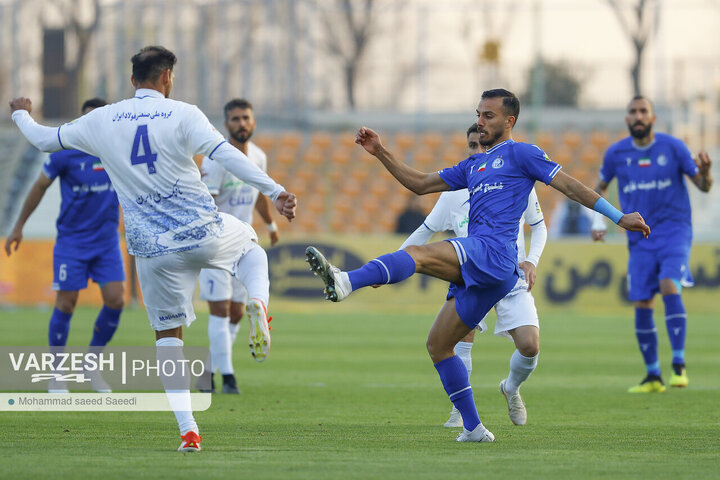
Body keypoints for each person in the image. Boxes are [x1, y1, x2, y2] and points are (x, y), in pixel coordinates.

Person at [306, 89, 649, 443]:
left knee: (421, 257)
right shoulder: (473, 166)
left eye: (488, 116)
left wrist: (618, 216)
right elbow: (420, 183)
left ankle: (347, 281)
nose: (480, 122)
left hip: (495, 253)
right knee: (439, 345)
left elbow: (572, 188)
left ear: (509, 121)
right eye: (479, 114)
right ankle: (473, 428)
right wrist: (381, 153)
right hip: (490, 271)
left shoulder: (522, 154)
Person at [10, 45, 297, 453]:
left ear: (132, 81)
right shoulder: (183, 113)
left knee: (168, 339)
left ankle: (189, 432)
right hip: (202, 228)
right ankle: (258, 303)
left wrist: (21, 112)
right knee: (253, 252)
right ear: (167, 78)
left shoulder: (101, 119)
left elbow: (42, 140)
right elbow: (227, 156)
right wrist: (277, 191)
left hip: (151, 249)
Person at [400, 123, 547, 428]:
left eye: (483, 145)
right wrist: (396, 261)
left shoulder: (516, 179)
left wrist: (531, 260)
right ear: (467, 150)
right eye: (472, 145)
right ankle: (460, 411)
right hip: (470, 276)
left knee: (530, 345)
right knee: (458, 340)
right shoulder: (453, 193)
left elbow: (539, 225)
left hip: (509, 274)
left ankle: (511, 387)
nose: (478, 150)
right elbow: (425, 231)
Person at [591, 95, 713, 393]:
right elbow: (599, 188)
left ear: (653, 118)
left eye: (643, 111)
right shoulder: (616, 153)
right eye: (633, 112)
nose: (638, 116)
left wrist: (707, 173)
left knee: (670, 284)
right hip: (639, 238)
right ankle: (653, 376)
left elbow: (703, 186)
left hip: (675, 232)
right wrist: (598, 223)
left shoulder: (673, 147)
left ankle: (679, 365)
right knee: (642, 300)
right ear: (627, 119)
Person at [4, 98, 124, 394]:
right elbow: (40, 186)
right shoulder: (65, 152)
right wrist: (18, 226)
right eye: (87, 120)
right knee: (66, 303)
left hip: (107, 241)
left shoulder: (117, 150)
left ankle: (91, 365)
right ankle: (56, 373)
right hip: (73, 241)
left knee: (116, 300)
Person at [197, 98, 280, 394]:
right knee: (219, 311)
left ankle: (209, 371)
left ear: (254, 122)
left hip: (243, 245)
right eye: (235, 119)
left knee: (235, 314)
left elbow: (259, 193)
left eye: (246, 118)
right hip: (215, 243)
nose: (241, 123)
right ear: (226, 124)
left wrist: (270, 225)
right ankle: (228, 378)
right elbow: (205, 202)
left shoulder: (258, 157)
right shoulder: (216, 159)